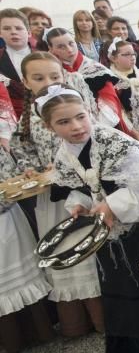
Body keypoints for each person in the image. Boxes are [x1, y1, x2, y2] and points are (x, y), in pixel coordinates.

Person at [41, 84, 139, 353]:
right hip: (105, 229)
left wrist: (112, 204)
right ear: (49, 127)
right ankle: (135, 341)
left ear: (89, 112)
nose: (76, 126)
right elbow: (77, 187)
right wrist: (78, 204)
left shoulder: (115, 142)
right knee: (120, 280)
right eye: (64, 122)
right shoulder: (63, 154)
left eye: (80, 117)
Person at [10, 53, 103, 337]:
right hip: (51, 198)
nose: (48, 83)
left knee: (88, 248)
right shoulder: (29, 118)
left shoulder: (75, 105)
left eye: (54, 76)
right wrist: (32, 170)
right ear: (25, 82)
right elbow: (21, 148)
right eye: (38, 78)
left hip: (81, 189)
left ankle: (102, 319)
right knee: (61, 249)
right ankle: (74, 322)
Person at [0, 95, 53, 353]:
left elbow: (9, 167)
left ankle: (38, 331)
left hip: (7, 214)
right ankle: (12, 341)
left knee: (18, 272)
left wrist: (24, 173)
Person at [43, 28, 130, 135]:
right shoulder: (51, 73)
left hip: (103, 126)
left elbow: (111, 101)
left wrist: (98, 126)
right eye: (61, 47)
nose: (69, 49)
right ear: (51, 49)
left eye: (71, 43)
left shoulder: (95, 69)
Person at [0, 9, 31, 117]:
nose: (13, 32)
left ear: (29, 32)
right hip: (10, 116)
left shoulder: (46, 55)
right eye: (6, 28)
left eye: (18, 28)